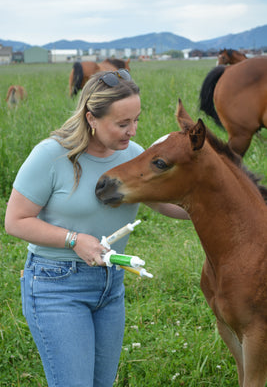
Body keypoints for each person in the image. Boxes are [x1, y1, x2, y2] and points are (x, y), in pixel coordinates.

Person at [5, 69, 189, 387]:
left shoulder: (132, 155)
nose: (132, 131)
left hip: (110, 288)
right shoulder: (51, 156)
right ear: (91, 118)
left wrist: (208, 205)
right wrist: (73, 239)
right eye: (122, 124)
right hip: (56, 287)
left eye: (136, 120)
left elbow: (164, 203)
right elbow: (15, 221)